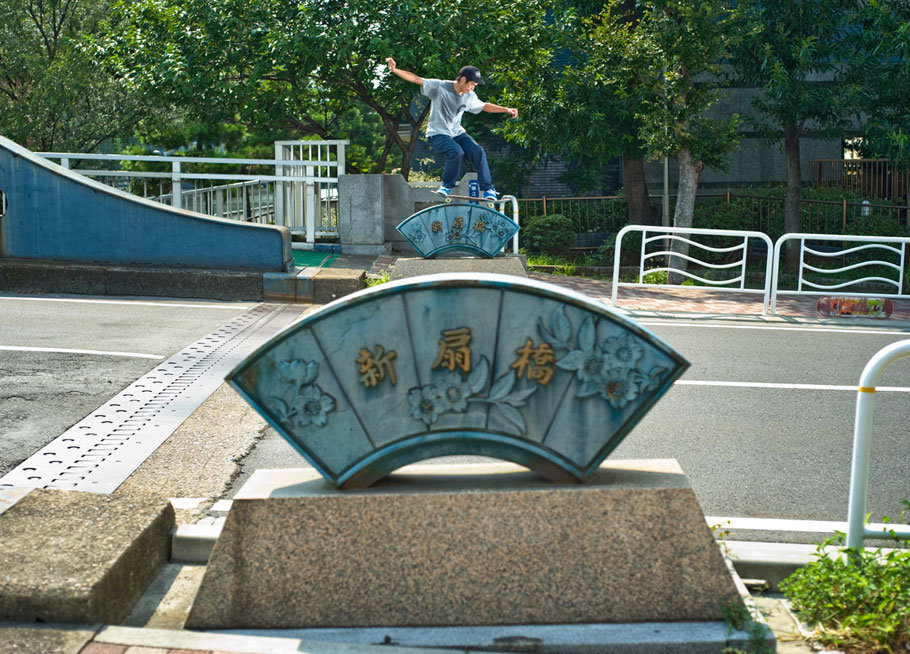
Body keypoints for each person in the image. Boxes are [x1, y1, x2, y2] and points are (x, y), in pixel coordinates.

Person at [385, 57, 518, 201]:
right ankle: (446, 186)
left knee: (477, 151)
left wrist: (506, 109)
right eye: (471, 84)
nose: (472, 88)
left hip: (456, 133)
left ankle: (488, 189)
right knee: (456, 151)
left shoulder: (470, 96)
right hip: (437, 133)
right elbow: (416, 79)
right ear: (463, 79)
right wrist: (394, 69)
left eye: (474, 86)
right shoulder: (440, 87)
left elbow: (484, 106)